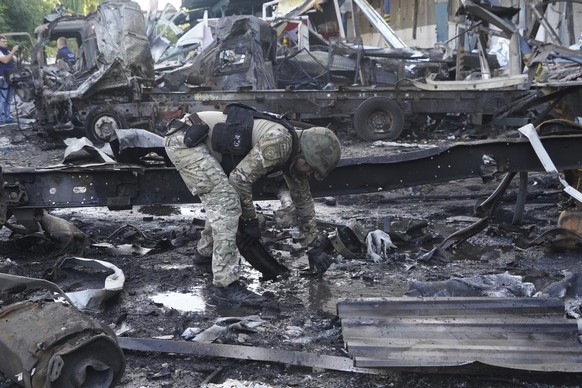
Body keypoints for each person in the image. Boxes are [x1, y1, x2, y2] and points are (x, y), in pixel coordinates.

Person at [164, 105, 341, 307]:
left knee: (223, 199)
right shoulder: (280, 142)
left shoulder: (295, 155)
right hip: (186, 141)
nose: (309, 173)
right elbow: (239, 180)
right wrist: (250, 219)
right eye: (310, 167)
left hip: (195, 138)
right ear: (303, 154)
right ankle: (226, 287)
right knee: (227, 202)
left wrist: (313, 246)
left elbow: (304, 201)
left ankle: (204, 256)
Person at [0, 36, 19, 125]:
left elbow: (17, 61)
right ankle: (0, 119)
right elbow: (5, 60)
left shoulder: (7, 51)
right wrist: (13, 51)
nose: (6, 43)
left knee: (9, 99)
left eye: (6, 41)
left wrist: (21, 53)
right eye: (3, 41)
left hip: (10, 78)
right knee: (1, 99)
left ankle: (7, 118)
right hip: (2, 78)